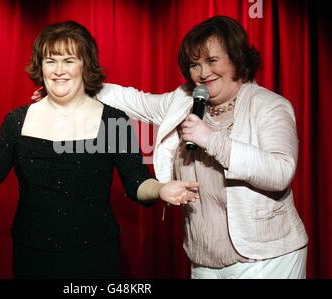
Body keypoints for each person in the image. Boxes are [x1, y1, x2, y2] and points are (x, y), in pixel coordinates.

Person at [0, 21, 200, 279]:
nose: (59, 70)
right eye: (50, 61)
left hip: (95, 256)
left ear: (85, 65)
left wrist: (160, 189)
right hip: (32, 255)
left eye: (69, 60)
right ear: (40, 67)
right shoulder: (17, 120)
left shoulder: (113, 120)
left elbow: (136, 184)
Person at [97, 16, 308, 279]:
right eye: (194, 65)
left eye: (211, 61)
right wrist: (70, 87)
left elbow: (280, 172)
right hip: (203, 259)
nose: (202, 73)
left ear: (236, 58)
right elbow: (131, 100)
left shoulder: (269, 105)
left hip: (265, 258)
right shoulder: (184, 100)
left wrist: (211, 139)